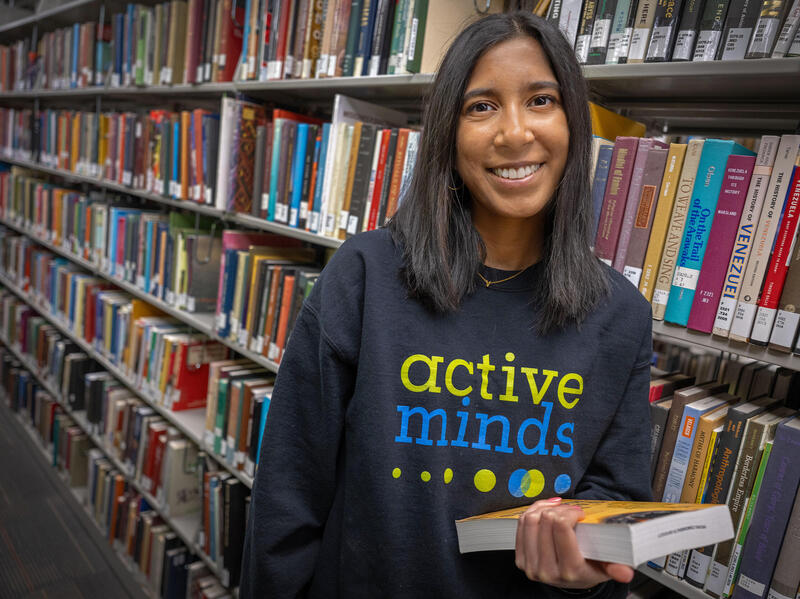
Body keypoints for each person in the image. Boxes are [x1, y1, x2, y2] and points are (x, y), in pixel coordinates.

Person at [240, 11, 653, 599]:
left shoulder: (623, 318)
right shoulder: (365, 277)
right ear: (447, 135)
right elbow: (289, 490)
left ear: (573, 123)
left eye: (541, 99)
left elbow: (615, 506)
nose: (515, 133)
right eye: (481, 107)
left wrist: (583, 572)